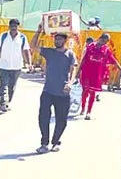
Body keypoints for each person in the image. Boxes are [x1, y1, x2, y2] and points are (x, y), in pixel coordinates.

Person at [31, 22, 77, 154]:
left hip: (63, 92)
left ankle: (56, 141)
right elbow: (33, 46)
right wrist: (39, 30)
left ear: (65, 40)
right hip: (48, 91)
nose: (57, 41)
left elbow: (73, 70)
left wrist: (70, 83)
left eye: (60, 39)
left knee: (61, 120)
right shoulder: (49, 52)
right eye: (56, 39)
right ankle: (44, 143)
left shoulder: (70, 54)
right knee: (43, 117)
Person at [78, 33, 121, 120]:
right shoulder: (90, 47)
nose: (104, 42)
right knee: (85, 92)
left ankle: (88, 112)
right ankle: (83, 108)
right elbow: (84, 58)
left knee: (92, 93)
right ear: (100, 38)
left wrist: (120, 68)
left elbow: (113, 60)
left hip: (97, 75)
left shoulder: (106, 50)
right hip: (87, 72)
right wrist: (79, 70)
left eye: (106, 41)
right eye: (103, 40)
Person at [0, 18, 32, 112]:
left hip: (16, 67)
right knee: (3, 85)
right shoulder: (3, 36)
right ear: (9, 26)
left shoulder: (22, 37)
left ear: (18, 27)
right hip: (3, 65)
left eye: (16, 26)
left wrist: (29, 63)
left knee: (12, 87)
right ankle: (3, 103)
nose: (14, 28)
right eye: (12, 26)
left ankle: (7, 102)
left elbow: (26, 51)